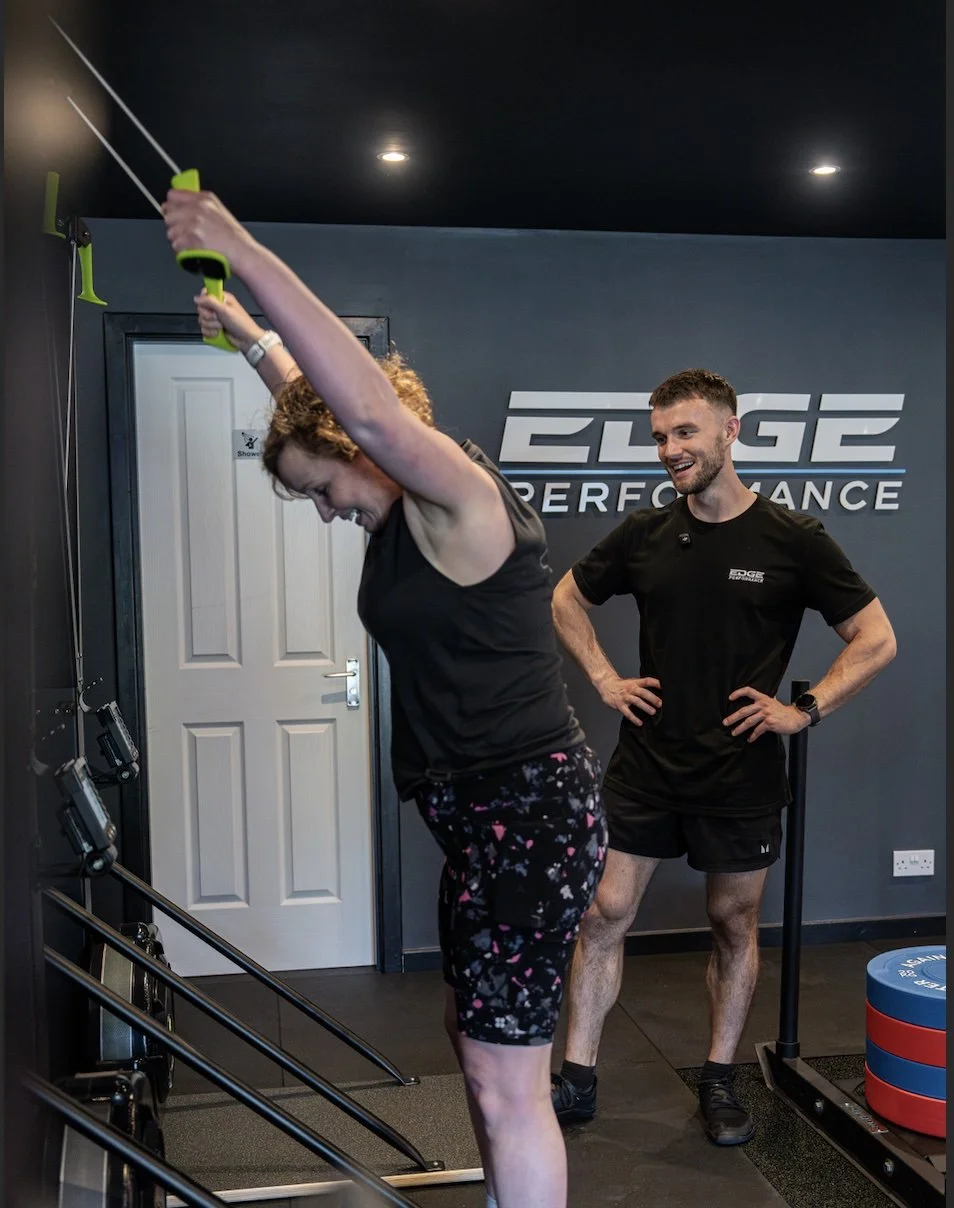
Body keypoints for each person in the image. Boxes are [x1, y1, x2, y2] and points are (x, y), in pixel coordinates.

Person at [163, 187, 607, 1208]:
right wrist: (250, 340)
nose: (326, 511)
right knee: (474, 1044)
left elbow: (359, 409)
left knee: (506, 1082)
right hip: (486, 823)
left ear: (365, 454)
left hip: (528, 816)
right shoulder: (402, 514)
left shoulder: (462, 502)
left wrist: (243, 251)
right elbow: (323, 411)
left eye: (324, 489)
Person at [549, 367, 896, 1146]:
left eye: (685, 432)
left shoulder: (792, 538)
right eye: (659, 437)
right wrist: (603, 677)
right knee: (603, 913)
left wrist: (804, 710)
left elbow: (876, 638)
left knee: (732, 921)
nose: (669, 449)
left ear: (730, 432)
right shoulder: (645, 534)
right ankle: (576, 1079)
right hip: (647, 764)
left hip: (741, 774)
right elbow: (566, 597)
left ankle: (718, 1078)